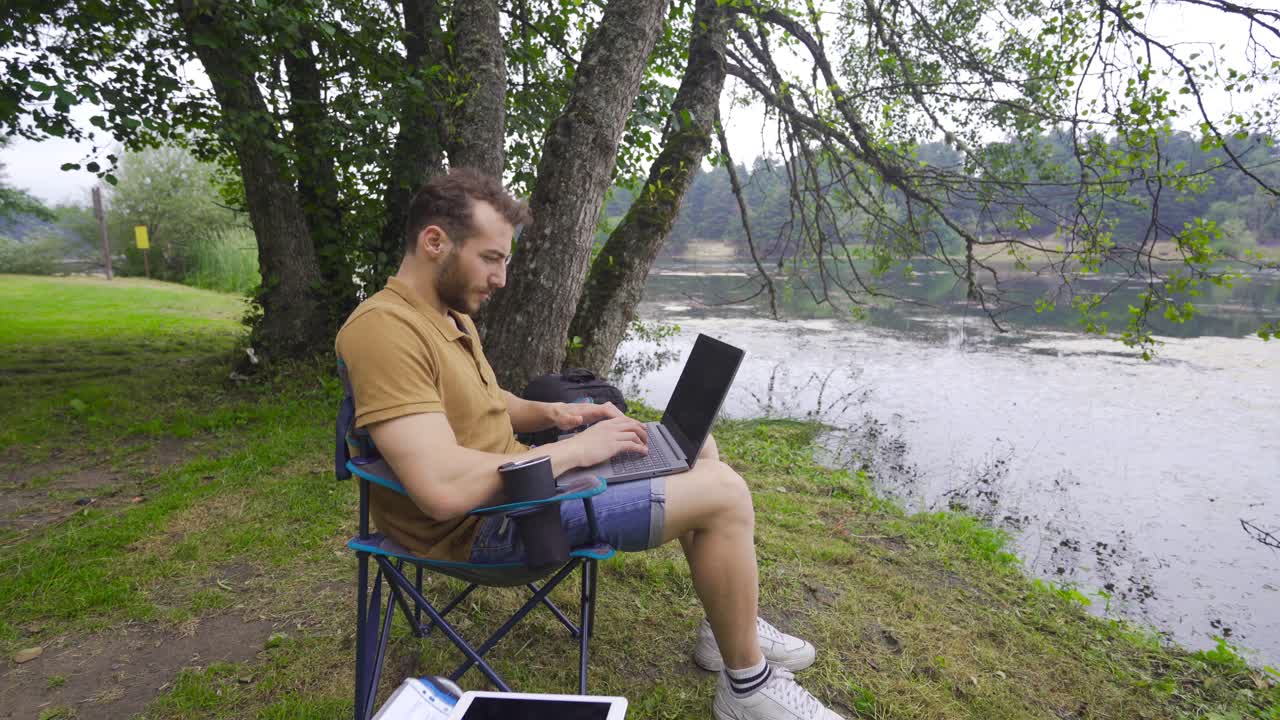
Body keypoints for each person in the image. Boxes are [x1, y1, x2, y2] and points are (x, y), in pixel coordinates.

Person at [336, 168, 846, 720]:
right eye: (491, 258)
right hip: (489, 525)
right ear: (434, 241)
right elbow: (438, 489)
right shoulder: (383, 331)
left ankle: (727, 630)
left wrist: (559, 413)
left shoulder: (445, 314)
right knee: (723, 493)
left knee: (695, 448)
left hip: (519, 484)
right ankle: (747, 687)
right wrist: (579, 449)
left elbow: (482, 399)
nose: (501, 277)